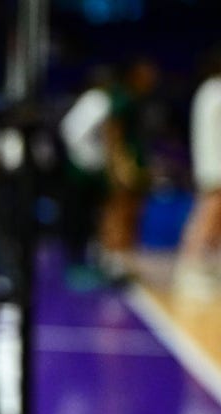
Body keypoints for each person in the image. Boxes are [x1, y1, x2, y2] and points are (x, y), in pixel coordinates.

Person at [99, 57, 159, 281]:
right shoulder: (123, 98)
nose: (153, 77)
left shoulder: (137, 99)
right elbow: (112, 132)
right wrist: (119, 164)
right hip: (126, 163)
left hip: (136, 161)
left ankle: (123, 261)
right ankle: (112, 260)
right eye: (147, 72)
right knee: (119, 210)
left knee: (131, 211)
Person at [59, 67, 113, 288]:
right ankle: (78, 266)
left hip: (83, 169)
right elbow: (72, 131)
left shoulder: (89, 100)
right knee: (83, 219)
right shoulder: (98, 101)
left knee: (86, 219)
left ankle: (83, 263)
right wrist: (91, 161)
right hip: (84, 172)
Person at [177, 48, 221, 298]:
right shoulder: (215, 89)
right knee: (207, 215)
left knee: (214, 218)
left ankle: (206, 267)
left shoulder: (208, 89)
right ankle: (190, 269)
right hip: (215, 163)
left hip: (209, 161)